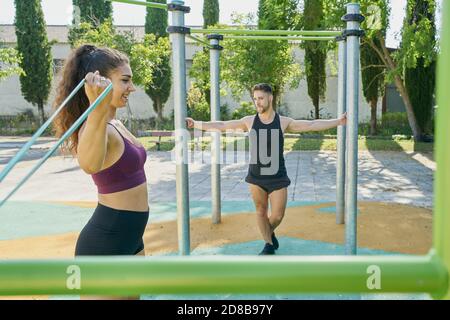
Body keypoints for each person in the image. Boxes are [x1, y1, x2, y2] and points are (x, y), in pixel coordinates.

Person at [186, 83, 347, 255]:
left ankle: (268, 232)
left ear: (270, 98)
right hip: (256, 177)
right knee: (261, 211)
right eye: (255, 99)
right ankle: (268, 244)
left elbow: (311, 124)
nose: (258, 103)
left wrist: (338, 121)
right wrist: (196, 124)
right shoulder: (249, 121)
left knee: (277, 215)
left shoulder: (283, 122)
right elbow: (222, 125)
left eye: (261, 98)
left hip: (277, 176)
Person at [53, 45, 149, 260]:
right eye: (125, 80)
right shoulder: (97, 126)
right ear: (102, 82)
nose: (131, 87)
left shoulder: (114, 123)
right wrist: (97, 104)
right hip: (107, 240)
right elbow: (89, 165)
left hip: (132, 235)